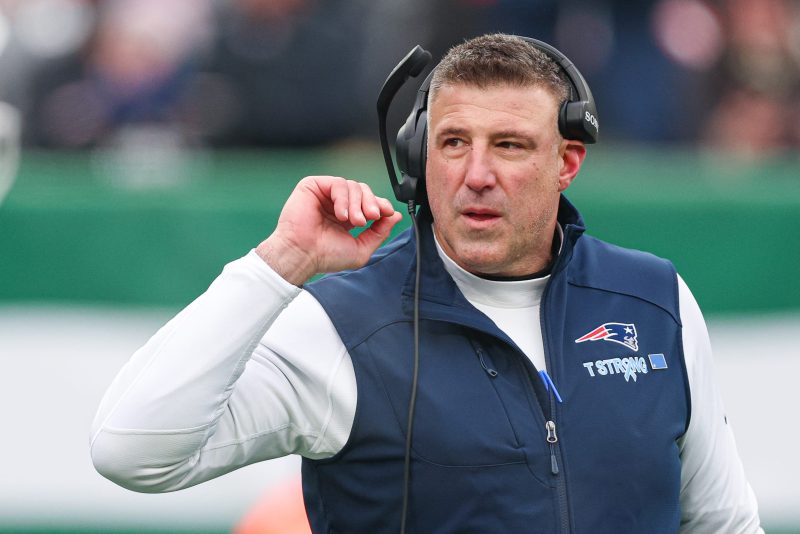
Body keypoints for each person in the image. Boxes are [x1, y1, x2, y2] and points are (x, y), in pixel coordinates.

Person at [90, 34, 762, 533]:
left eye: (509, 145)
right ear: (417, 158)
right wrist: (280, 261)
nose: (476, 175)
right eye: (452, 142)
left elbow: (723, 522)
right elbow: (132, 448)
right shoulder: (341, 324)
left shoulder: (654, 299)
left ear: (567, 162)